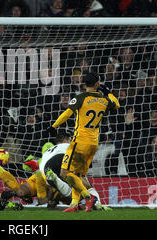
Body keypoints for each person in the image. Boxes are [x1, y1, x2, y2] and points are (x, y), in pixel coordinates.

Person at [48, 72, 120, 212]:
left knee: (64, 173)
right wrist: (108, 92)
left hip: (80, 142)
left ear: (84, 83)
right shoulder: (104, 100)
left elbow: (67, 113)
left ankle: (88, 197)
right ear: (97, 84)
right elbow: (116, 105)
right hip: (93, 143)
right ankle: (74, 204)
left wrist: (54, 126)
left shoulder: (80, 98)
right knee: (79, 175)